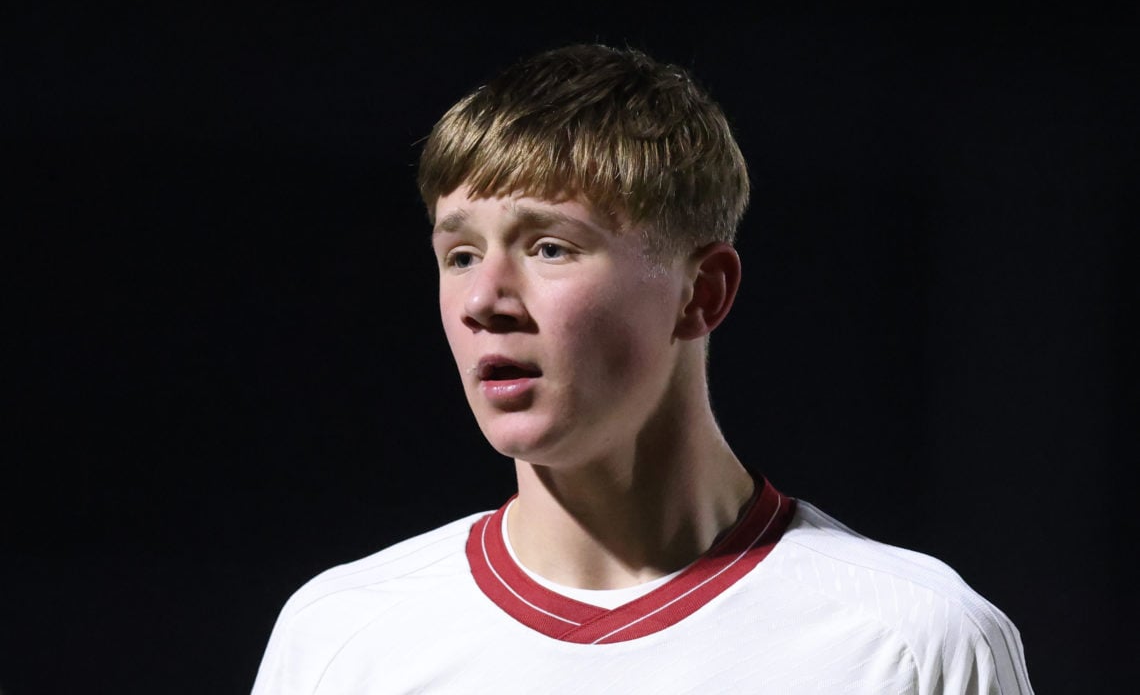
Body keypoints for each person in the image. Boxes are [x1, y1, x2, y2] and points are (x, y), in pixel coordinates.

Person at [252, 44, 1033, 694]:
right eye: (460, 254)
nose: (484, 298)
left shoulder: (914, 645)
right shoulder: (339, 641)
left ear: (703, 292)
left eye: (548, 246)